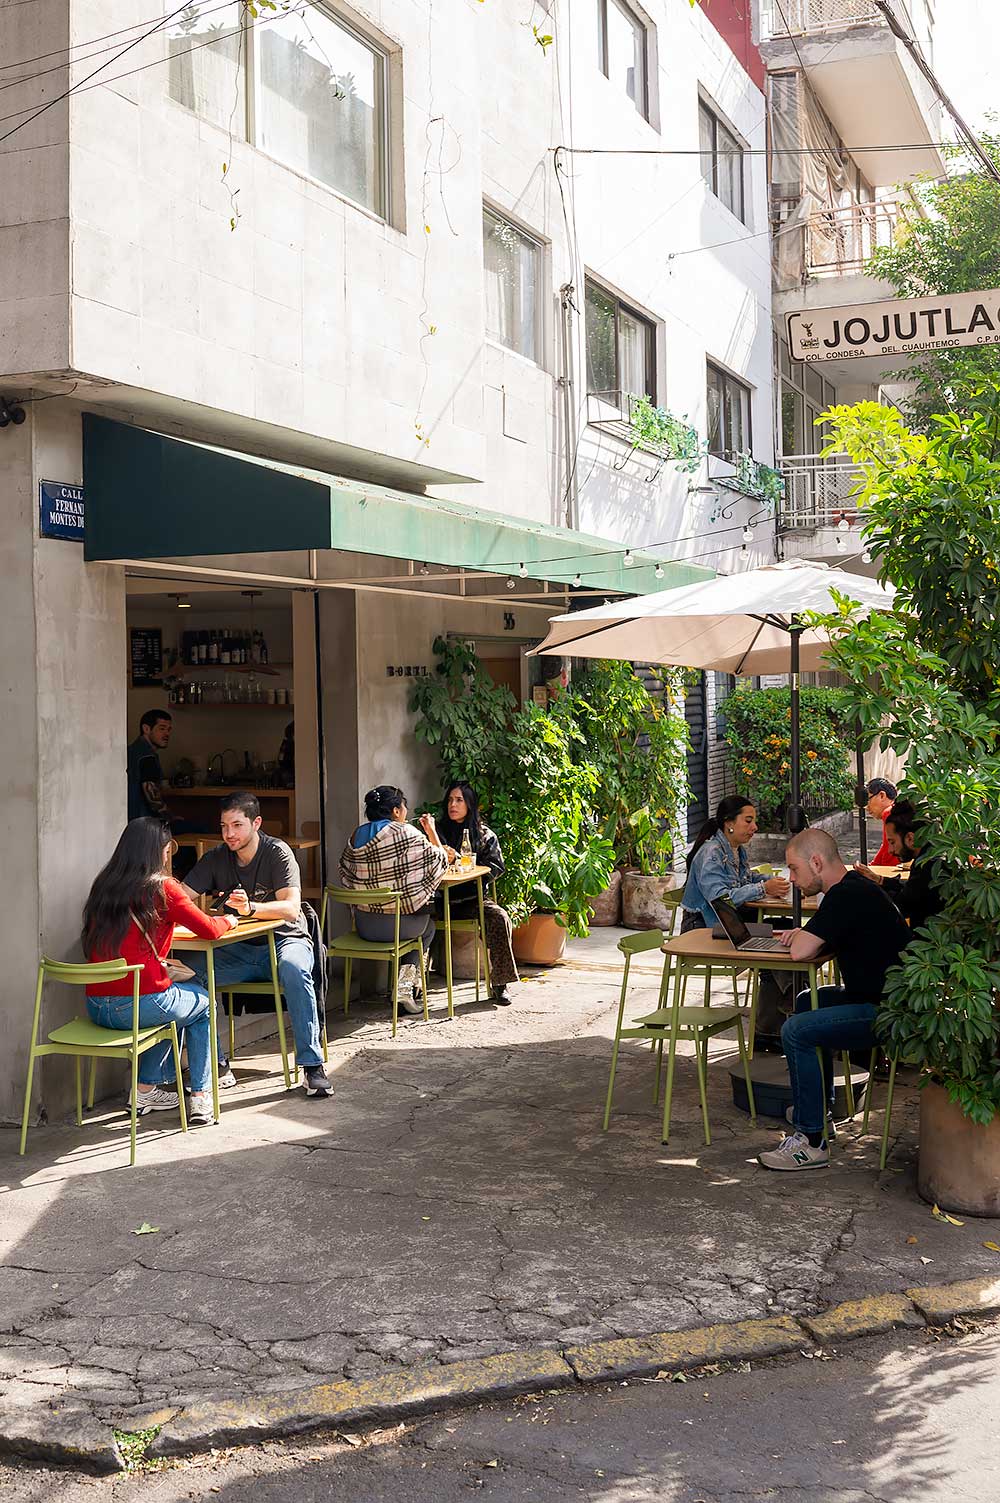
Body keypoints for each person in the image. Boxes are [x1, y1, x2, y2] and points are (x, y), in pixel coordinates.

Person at [757, 828, 911, 1173]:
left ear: (816, 862)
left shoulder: (845, 895)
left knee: (797, 1030)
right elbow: (818, 939)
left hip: (887, 1013)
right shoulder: (854, 888)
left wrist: (802, 937)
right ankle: (820, 1114)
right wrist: (807, 935)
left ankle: (811, 1142)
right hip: (878, 999)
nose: (791, 879)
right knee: (806, 1002)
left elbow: (801, 952)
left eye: (794, 869)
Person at [82, 817, 239, 1124]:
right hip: (138, 1003)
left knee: (177, 1004)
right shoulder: (164, 888)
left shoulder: (104, 885)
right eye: (168, 849)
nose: (169, 855)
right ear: (158, 851)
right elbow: (209, 928)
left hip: (97, 1006)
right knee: (202, 1004)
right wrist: (229, 921)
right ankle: (201, 1096)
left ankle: (144, 1089)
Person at [182, 792, 332, 1099]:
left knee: (294, 968)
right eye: (224, 826)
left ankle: (311, 1066)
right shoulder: (215, 858)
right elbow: (182, 895)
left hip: (285, 940)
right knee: (187, 972)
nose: (229, 834)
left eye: (237, 825)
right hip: (238, 950)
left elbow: (291, 908)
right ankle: (218, 1064)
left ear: (256, 823)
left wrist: (251, 908)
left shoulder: (277, 852)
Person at [339, 786, 449, 1015]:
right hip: (397, 926)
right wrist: (431, 831)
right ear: (396, 810)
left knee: (418, 925)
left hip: (364, 925)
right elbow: (439, 860)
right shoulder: (405, 833)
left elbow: (345, 871)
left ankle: (405, 989)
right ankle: (404, 990)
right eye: (404, 806)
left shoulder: (356, 834)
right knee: (427, 927)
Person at [437, 782, 519, 1006]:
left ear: (470, 805)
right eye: (450, 800)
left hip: (471, 900)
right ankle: (412, 988)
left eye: (459, 800)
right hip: (438, 900)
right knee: (411, 918)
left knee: (499, 917)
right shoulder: (436, 832)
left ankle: (500, 984)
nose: (452, 805)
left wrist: (470, 872)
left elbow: (496, 866)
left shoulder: (484, 835)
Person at [681, 794, 790, 931]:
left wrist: (778, 882)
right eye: (748, 821)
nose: (755, 827)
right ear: (729, 823)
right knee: (781, 931)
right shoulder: (712, 853)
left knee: (788, 928)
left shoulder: (738, 850)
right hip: (704, 926)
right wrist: (763, 888)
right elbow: (720, 900)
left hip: (728, 921)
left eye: (754, 822)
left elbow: (746, 878)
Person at [854, 798, 944, 933]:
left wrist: (867, 891)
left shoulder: (929, 865)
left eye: (892, 842)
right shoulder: (930, 856)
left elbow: (903, 904)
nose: (890, 850)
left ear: (910, 838)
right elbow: (911, 890)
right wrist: (879, 880)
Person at [126, 710, 173, 822]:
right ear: (146, 729)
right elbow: (152, 797)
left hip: (131, 821)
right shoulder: (146, 756)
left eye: (169, 729)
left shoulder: (131, 750)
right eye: (162, 728)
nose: (167, 734)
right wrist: (169, 817)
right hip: (145, 823)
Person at [866, 778, 899, 868]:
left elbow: (889, 853)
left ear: (882, 795)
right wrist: (873, 866)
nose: (867, 807)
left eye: (868, 800)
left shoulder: (889, 813)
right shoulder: (894, 810)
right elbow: (885, 845)